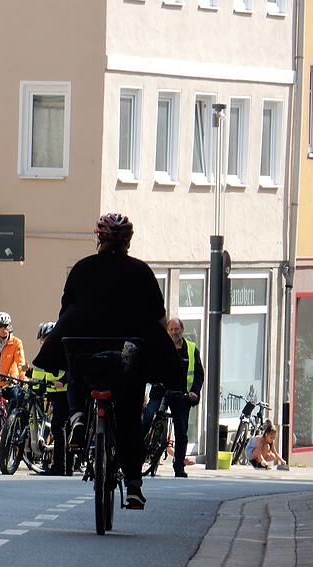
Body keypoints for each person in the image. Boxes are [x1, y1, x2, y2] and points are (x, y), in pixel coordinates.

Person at [33, 213, 185, 510]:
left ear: (99, 239)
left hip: (86, 350)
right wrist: (164, 356)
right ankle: (133, 486)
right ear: (128, 242)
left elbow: (66, 310)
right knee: (129, 417)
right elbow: (158, 317)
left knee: (75, 372)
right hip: (128, 356)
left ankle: (77, 417)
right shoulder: (141, 272)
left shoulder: (82, 269)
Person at [143, 317, 204, 478]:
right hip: (160, 391)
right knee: (148, 417)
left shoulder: (191, 349)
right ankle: (139, 453)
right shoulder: (160, 347)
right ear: (167, 331)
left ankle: (179, 466)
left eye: (177, 329)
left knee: (182, 431)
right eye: (171, 329)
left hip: (180, 395)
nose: (174, 332)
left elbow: (198, 374)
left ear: (182, 330)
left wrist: (195, 392)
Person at [29, 321, 72, 476]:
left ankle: (61, 467)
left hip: (64, 393)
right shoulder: (47, 352)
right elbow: (39, 372)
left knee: (58, 427)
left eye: (46, 338)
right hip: (53, 393)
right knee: (56, 428)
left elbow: (71, 369)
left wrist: (63, 381)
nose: (44, 342)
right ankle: (62, 466)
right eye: (43, 339)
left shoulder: (63, 350)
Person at [0, 311, 26, 468]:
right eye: (1, 326)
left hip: (10, 382)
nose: (4, 329)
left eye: (6, 326)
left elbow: (20, 362)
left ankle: (13, 436)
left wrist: (21, 378)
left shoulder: (16, 342)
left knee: (13, 411)